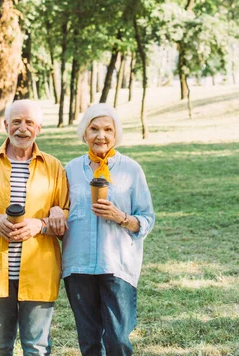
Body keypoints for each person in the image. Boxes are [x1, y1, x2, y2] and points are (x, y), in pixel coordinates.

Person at [0, 99, 69, 356]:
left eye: (29, 122)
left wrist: (40, 224)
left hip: (40, 269)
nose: (23, 128)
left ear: (38, 128)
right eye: (16, 122)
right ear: (6, 125)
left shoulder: (53, 167)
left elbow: (65, 215)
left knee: (37, 347)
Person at [62, 103, 155, 356]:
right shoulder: (69, 170)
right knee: (89, 342)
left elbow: (147, 218)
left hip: (117, 265)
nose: (100, 135)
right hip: (78, 265)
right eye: (94, 129)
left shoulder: (131, 170)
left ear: (115, 135)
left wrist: (122, 217)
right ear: (84, 133)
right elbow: (60, 210)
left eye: (107, 129)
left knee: (117, 339)